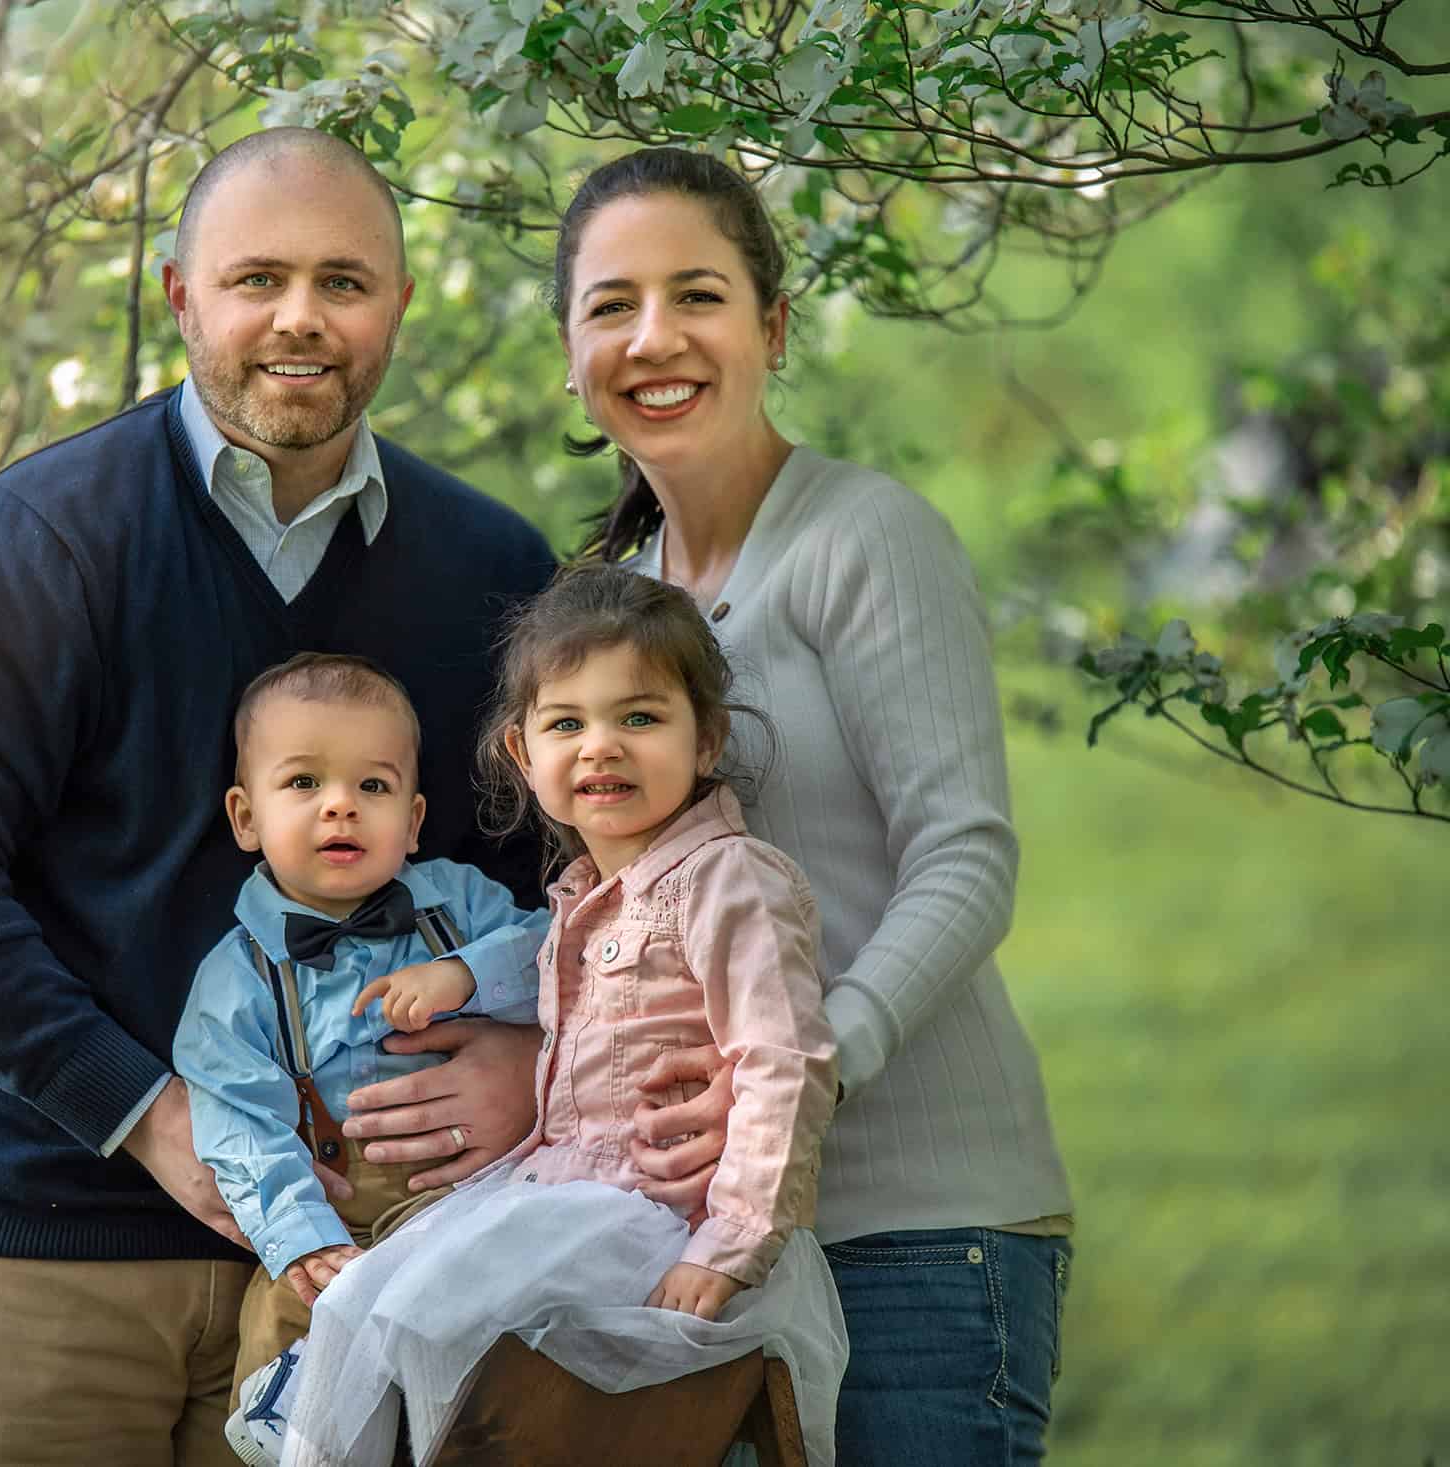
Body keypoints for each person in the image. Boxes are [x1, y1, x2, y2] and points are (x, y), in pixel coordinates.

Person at [0, 128, 558, 1467]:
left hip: (373, 1258)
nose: (301, 316)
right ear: (181, 294)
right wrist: (155, 1114)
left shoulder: (491, 570)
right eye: (257, 278)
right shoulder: (40, 543)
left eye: (345, 280)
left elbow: (554, 890)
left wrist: (528, 1053)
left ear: (399, 303)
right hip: (44, 1241)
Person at [548, 147, 1076, 1466]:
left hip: (914, 1233)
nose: (655, 336)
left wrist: (809, 1065)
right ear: (569, 348)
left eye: (698, 295)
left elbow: (964, 860)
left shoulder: (865, 535)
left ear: (773, 326)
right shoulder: (620, 597)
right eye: (613, 303)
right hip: (701, 1248)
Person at [274, 565, 851, 1467]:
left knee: (438, 1325)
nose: (601, 747)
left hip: (656, 1219)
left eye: (641, 717)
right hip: (551, 1193)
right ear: (522, 754)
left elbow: (785, 1060)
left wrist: (731, 1244)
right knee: (361, 1305)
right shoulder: (576, 900)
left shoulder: (731, 880)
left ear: (708, 741)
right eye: (567, 723)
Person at [172, 651, 549, 1464]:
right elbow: (238, 1121)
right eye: (304, 783)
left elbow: (561, 953)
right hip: (328, 1210)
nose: (340, 805)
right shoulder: (238, 978)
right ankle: (298, 1427)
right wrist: (301, 1237)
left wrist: (466, 973)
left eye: (372, 787)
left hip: (458, 1202)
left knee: (481, 1311)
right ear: (246, 817)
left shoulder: (461, 907)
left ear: (412, 822)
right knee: (288, 1310)